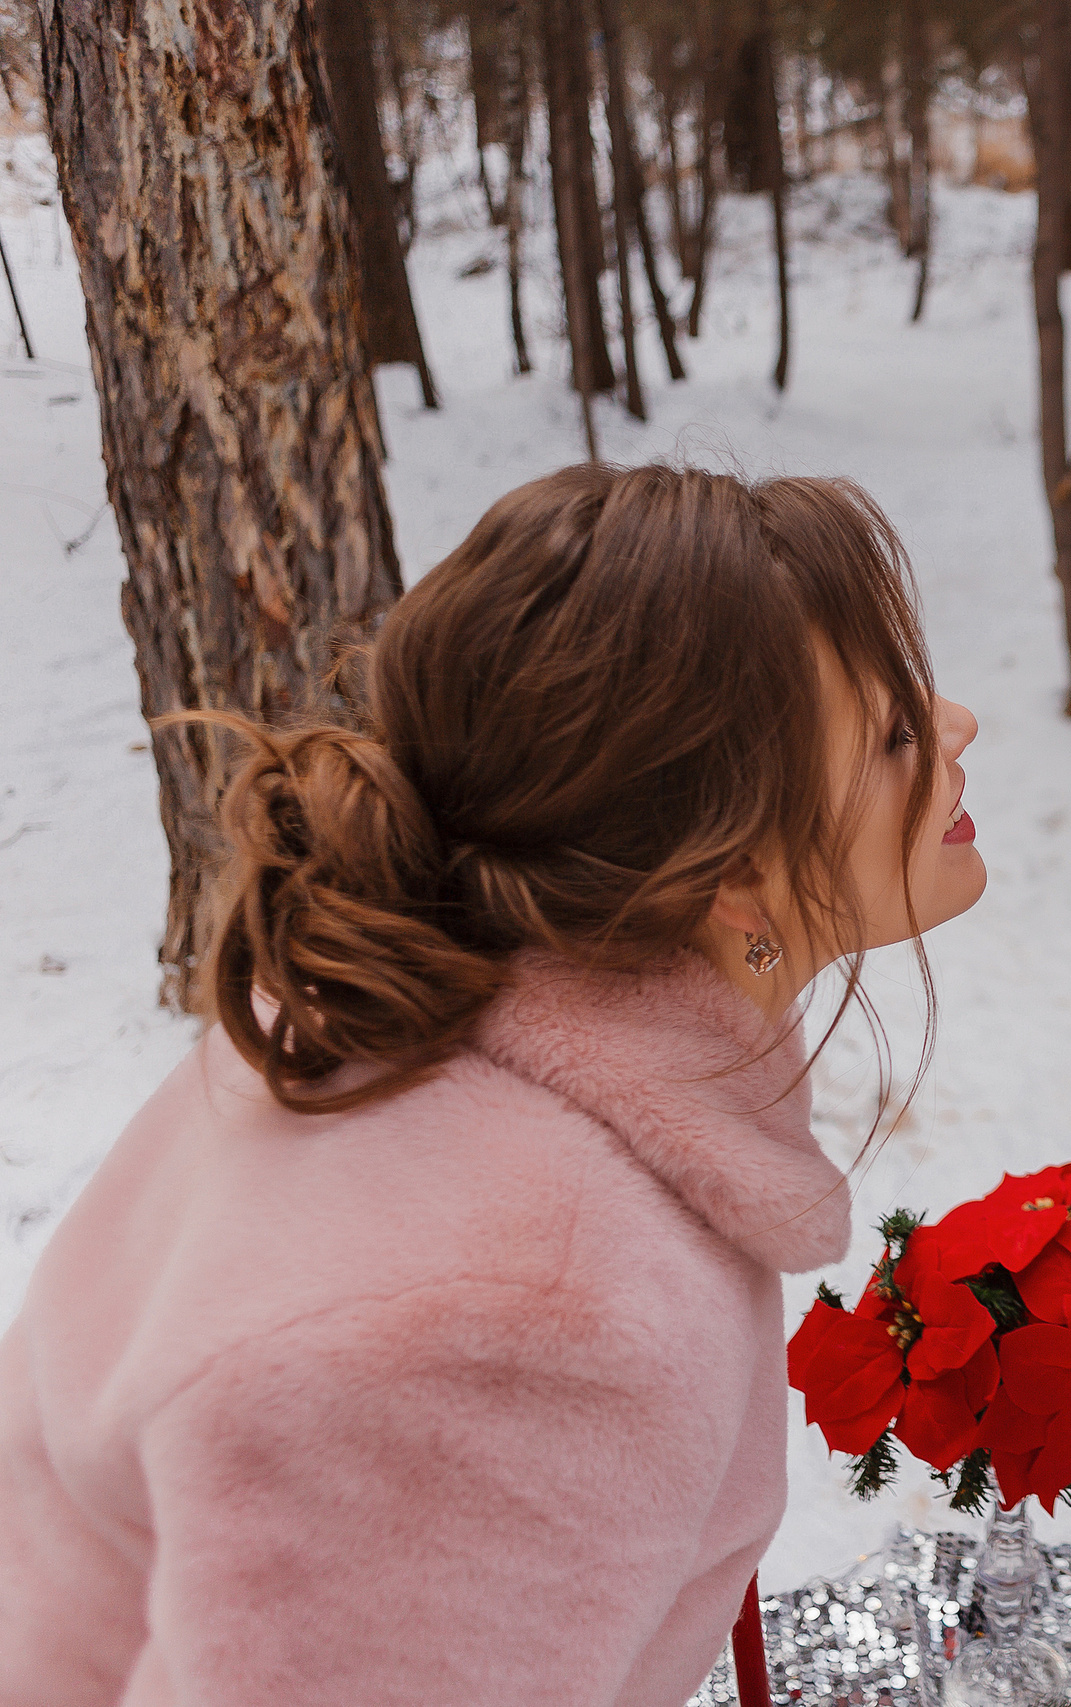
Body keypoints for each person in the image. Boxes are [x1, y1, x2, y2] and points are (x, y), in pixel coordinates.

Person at [0, 465, 984, 1706]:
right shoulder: (526, 1308)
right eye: (893, 734)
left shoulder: (404, 1015)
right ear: (730, 876)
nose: (956, 724)